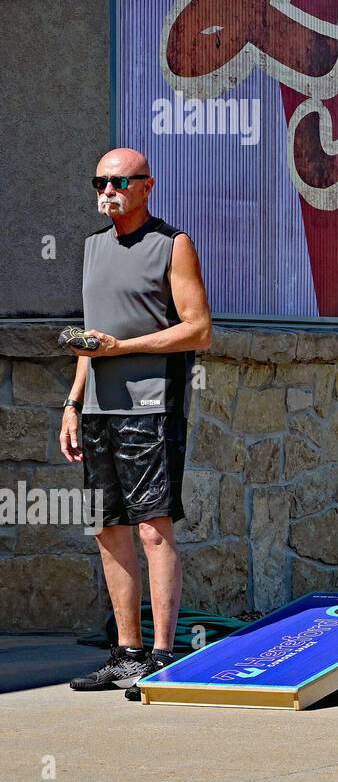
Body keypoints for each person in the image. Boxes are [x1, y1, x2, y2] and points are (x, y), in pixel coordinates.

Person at [62, 149, 212, 699]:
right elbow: (91, 336)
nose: (108, 191)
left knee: (153, 528)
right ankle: (126, 654)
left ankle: (164, 655)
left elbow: (199, 330)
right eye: (99, 181)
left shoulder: (173, 245)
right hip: (99, 407)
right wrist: (72, 403)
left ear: (146, 185)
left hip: (151, 405)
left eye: (119, 182)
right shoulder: (92, 248)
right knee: (107, 527)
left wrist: (124, 347)